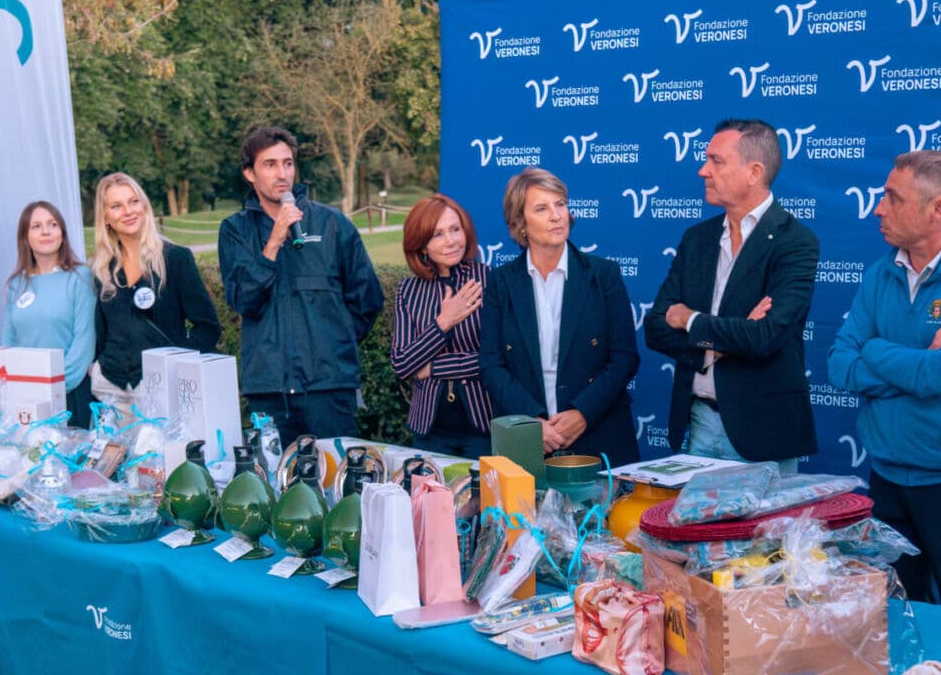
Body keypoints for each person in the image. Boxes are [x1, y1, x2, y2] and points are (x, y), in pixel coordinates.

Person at [826, 151, 941, 618]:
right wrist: (914, 360)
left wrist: (877, 349)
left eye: (893, 197)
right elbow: (840, 365)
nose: (879, 208)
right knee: (893, 616)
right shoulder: (880, 274)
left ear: (939, 209)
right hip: (888, 478)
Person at [642, 118, 818, 465]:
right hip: (699, 424)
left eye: (716, 161)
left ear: (754, 172)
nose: (703, 171)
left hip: (763, 432)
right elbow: (656, 327)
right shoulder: (697, 239)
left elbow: (765, 337)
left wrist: (691, 320)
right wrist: (726, 341)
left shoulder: (795, 242)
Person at [218, 126, 385, 441]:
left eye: (288, 163)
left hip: (329, 389)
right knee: (273, 486)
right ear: (249, 173)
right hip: (267, 391)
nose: (282, 173)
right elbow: (243, 301)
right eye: (270, 164)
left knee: (335, 485)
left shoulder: (333, 224)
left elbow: (368, 300)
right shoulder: (235, 230)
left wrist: (332, 344)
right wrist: (274, 241)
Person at [477, 167, 639, 463]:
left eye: (560, 204)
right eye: (542, 208)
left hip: (599, 436)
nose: (556, 215)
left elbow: (624, 358)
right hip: (525, 442)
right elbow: (491, 364)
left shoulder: (604, 275)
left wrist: (583, 412)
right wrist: (530, 420)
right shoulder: (501, 283)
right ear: (520, 223)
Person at [89, 171, 222, 407]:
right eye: (117, 206)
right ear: (106, 218)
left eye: (133, 201)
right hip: (109, 389)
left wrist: (174, 364)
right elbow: (100, 333)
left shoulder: (175, 258)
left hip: (159, 391)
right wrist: (94, 370)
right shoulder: (101, 269)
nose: (128, 211)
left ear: (144, 206)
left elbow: (208, 328)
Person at [390, 194, 492, 456]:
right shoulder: (408, 290)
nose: (451, 241)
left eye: (455, 230)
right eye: (437, 234)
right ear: (422, 245)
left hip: (483, 428)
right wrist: (444, 322)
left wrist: (432, 367)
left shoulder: (488, 280)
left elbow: (496, 359)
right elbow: (402, 364)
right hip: (429, 432)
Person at [0, 199, 99, 426]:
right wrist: (17, 388)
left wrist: (52, 388)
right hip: (25, 398)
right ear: (25, 237)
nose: (46, 231)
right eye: (36, 226)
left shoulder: (80, 277)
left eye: (52, 224)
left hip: (69, 395)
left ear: (62, 233)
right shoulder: (17, 284)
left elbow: (83, 344)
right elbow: (8, 344)